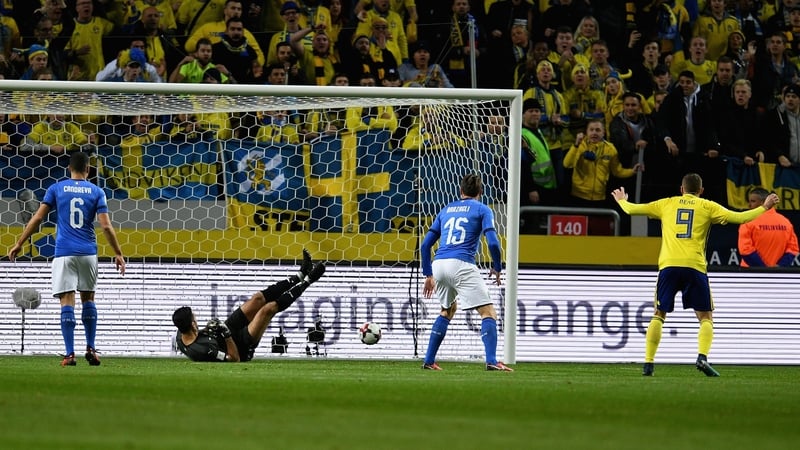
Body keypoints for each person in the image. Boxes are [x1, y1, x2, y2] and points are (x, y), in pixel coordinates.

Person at [611, 173, 780, 377]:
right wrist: (765, 206)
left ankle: (648, 363)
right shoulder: (708, 206)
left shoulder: (667, 203)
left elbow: (633, 209)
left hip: (669, 265)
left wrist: (622, 201)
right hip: (695, 266)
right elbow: (740, 217)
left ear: (681, 189)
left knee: (659, 314)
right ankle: (702, 357)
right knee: (706, 317)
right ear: (701, 191)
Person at [7, 151, 126, 367]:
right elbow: (106, 225)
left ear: (69, 169)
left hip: (64, 252)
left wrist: (19, 243)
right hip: (88, 252)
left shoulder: (56, 188)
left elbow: (38, 218)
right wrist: (118, 253)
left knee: (66, 300)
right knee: (88, 299)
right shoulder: (97, 191)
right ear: (88, 169)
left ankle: (70, 354)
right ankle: (91, 348)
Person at [419, 173, 511, 372]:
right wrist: (497, 266)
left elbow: (425, 245)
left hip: (439, 264)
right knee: (488, 312)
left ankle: (429, 360)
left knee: (448, 310)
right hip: (461, 263)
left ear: (460, 191)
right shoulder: (483, 209)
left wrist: (428, 274)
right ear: (481, 192)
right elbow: (493, 242)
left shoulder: (446, 209)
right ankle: (492, 361)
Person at [172, 250, 326, 362]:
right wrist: (226, 335)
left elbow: (196, 335)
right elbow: (234, 359)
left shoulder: (182, 335)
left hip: (227, 330)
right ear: (192, 324)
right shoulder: (203, 350)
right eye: (195, 318)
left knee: (257, 299)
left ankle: (299, 275)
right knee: (268, 309)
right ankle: (308, 280)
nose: (196, 319)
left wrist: (213, 329)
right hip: (239, 346)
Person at [738, 187, 799, 267]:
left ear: (764, 202)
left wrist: (762, 269)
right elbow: (793, 249)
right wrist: (779, 267)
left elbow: (745, 250)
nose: (749, 205)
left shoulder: (748, 221)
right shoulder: (785, 222)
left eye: (753, 201)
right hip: (777, 275)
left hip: (750, 274)